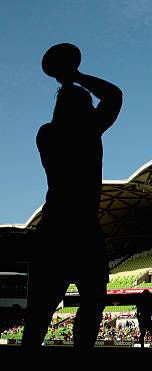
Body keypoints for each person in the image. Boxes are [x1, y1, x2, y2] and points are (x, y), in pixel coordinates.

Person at [23, 44, 123, 349]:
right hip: (82, 229)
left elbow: (106, 99)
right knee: (93, 301)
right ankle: (81, 362)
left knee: (40, 308)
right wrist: (75, 76)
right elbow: (114, 95)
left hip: (53, 227)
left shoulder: (47, 135)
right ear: (84, 108)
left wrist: (68, 81)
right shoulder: (89, 130)